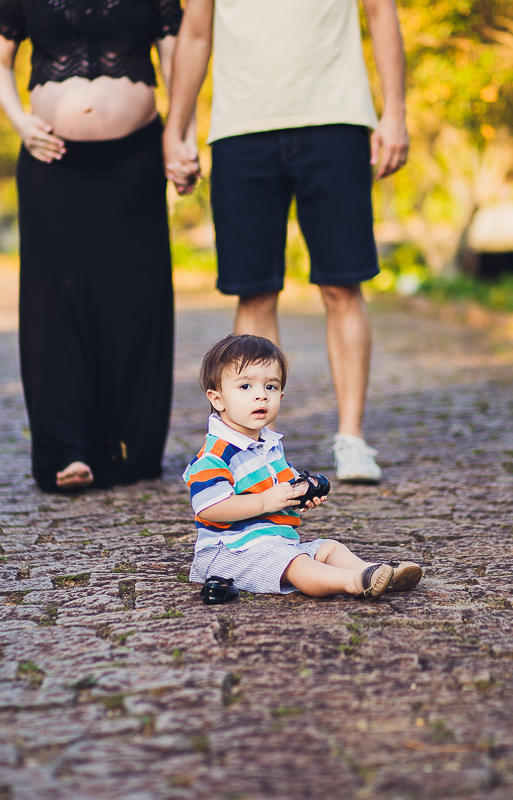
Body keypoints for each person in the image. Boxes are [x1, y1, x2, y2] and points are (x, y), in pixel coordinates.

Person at [162, 0, 409, 485]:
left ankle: (352, 438)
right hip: (240, 129)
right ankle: (257, 449)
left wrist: (395, 111)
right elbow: (194, 36)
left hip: (335, 120)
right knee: (253, 291)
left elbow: (382, 12)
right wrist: (176, 130)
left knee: (343, 285)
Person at [0, 0, 196, 491]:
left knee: (133, 301)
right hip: (51, 161)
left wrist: (182, 138)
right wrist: (19, 121)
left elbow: (178, 61)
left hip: (136, 159)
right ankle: (65, 450)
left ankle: (129, 444)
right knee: (52, 305)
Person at [184, 334, 422, 598]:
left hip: (275, 543)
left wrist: (299, 494)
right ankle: (353, 581)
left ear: (281, 395)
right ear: (217, 399)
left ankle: (373, 572)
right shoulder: (213, 456)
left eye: (271, 387)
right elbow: (209, 509)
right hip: (227, 552)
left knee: (329, 547)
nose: (261, 396)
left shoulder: (269, 445)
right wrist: (265, 502)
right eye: (245, 387)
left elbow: (282, 489)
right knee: (298, 565)